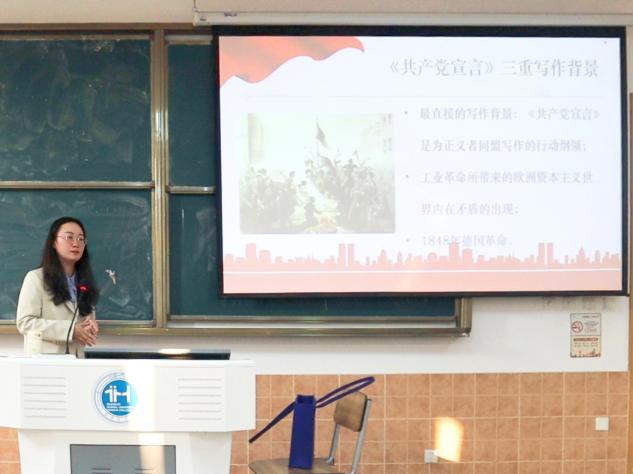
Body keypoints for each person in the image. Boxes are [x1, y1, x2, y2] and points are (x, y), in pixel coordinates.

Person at [16, 217, 99, 355]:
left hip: (76, 361)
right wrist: (71, 330)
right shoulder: (36, 278)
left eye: (81, 239)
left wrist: (90, 325)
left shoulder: (84, 282)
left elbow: (82, 319)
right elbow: (25, 322)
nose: (76, 243)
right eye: (69, 237)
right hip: (44, 361)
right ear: (54, 242)